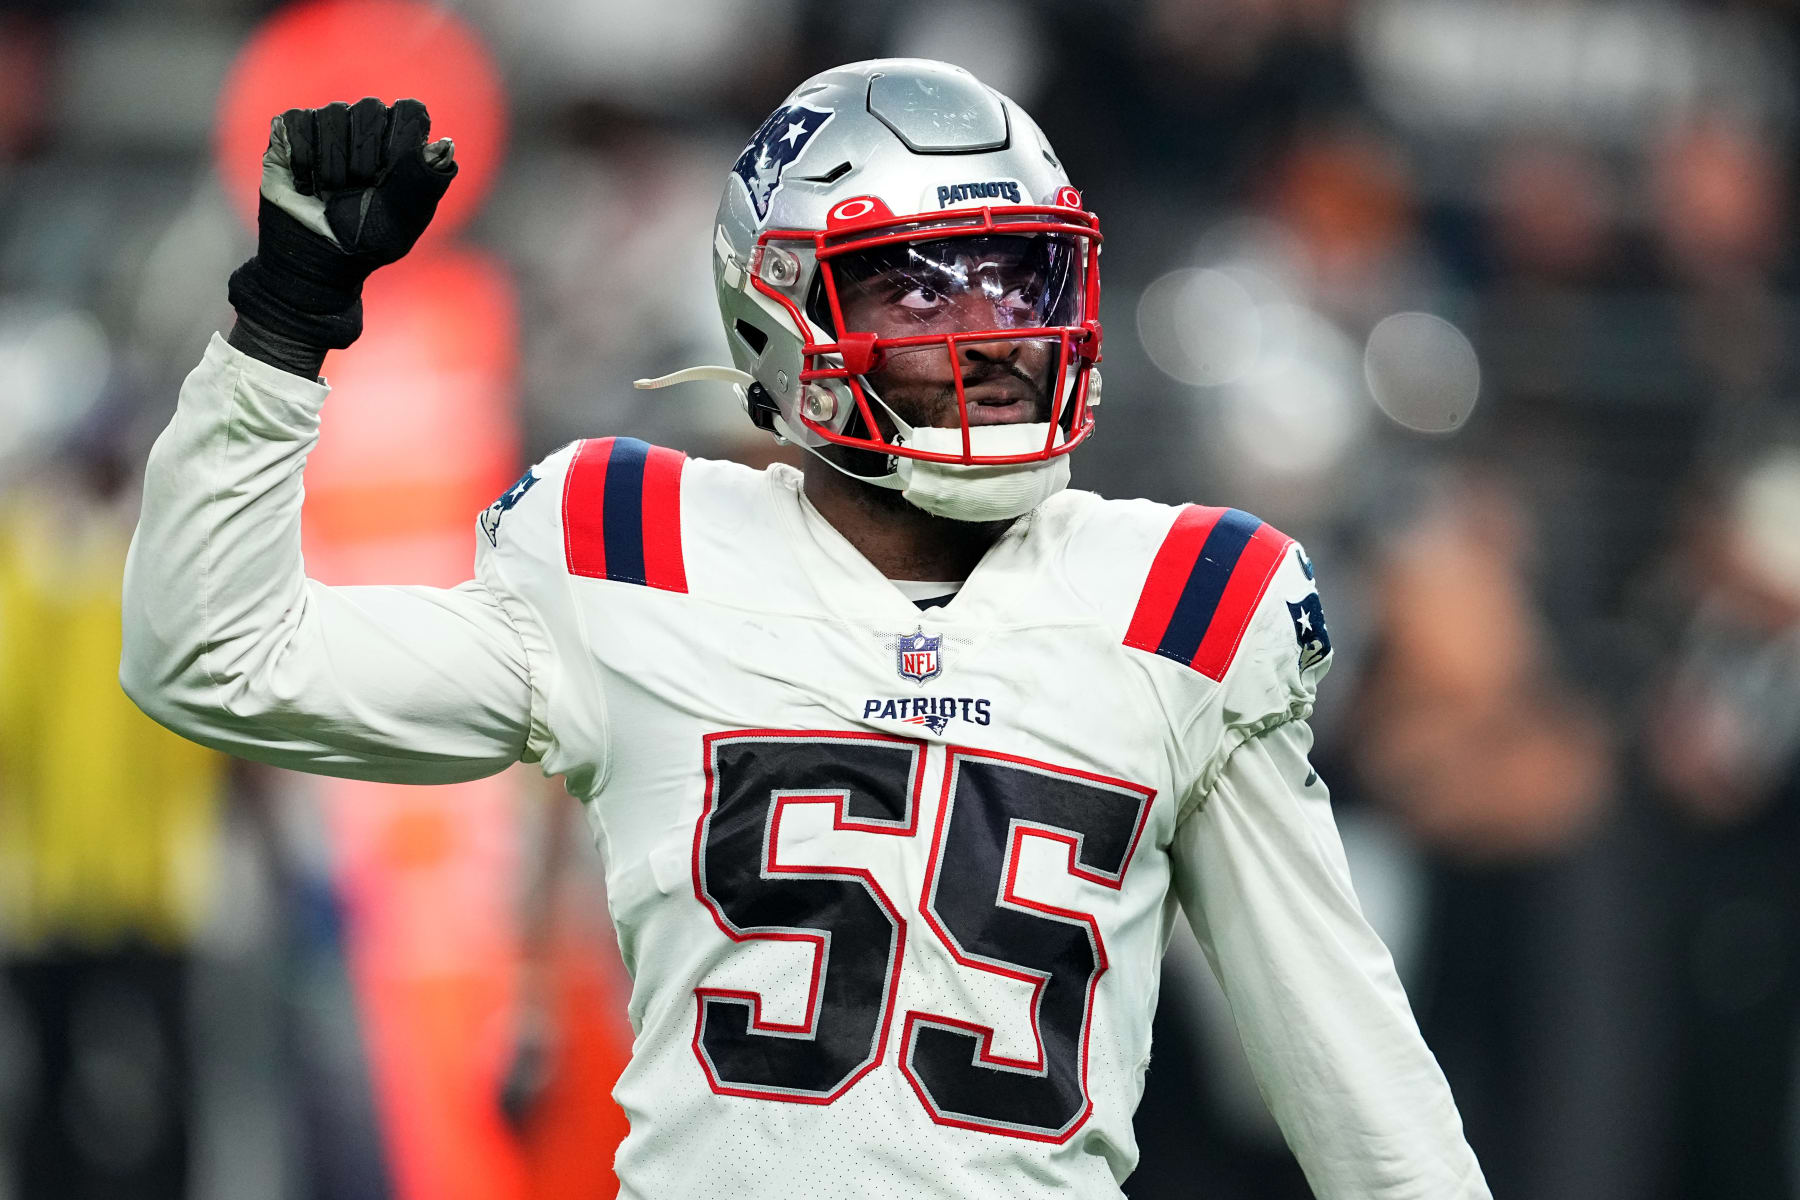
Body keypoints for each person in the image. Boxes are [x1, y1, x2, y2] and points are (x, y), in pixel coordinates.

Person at [120, 61, 1488, 1199]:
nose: (994, 331)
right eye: (920, 285)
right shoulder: (634, 553)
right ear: (782, 315)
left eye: (1017, 278)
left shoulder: (1181, 602)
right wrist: (283, 324)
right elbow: (212, 660)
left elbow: (1366, 1098)